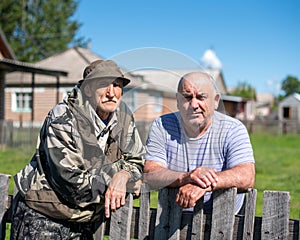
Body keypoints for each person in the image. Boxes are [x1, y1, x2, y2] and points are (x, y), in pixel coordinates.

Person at [12, 60, 145, 239]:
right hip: (43, 214)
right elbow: (71, 181)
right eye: (103, 84)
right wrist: (123, 182)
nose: (111, 93)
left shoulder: (123, 118)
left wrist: (124, 176)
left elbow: (138, 160)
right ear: (87, 89)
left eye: (117, 85)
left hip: (84, 221)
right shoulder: (63, 118)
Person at [143, 71, 255, 215]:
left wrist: (205, 184)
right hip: (172, 221)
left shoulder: (233, 128)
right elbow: (151, 173)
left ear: (215, 101)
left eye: (201, 97)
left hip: (223, 222)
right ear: (178, 100)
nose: (194, 104)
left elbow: (246, 176)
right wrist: (187, 177)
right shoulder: (162, 125)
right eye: (187, 97)